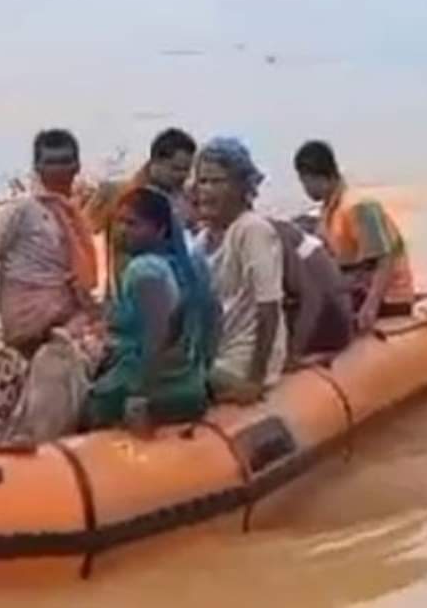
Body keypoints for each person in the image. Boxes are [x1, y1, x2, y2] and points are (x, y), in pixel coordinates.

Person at [0, 128, 99, 354]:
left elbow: (83, 279)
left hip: (68, 317)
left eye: (65, 161)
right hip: (29, 326)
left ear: (77, 166)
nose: (59, 169)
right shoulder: (20, 210)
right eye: (51, 162)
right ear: (38, 167)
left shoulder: (74, 216)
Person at [85, 188, 216, 434]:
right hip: (190, 383)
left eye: (133, 224)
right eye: (120, 222)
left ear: (160, 230)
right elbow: (211, 319)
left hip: (159, 387)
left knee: (87, 405)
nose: (123, 231)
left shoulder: (144, 270)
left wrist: (142, 395)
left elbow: (159, 337)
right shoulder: (187, 265)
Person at [192, 138, 284, 404]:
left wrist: (254, 381)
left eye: (217, 182)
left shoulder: (251, 230)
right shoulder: (201, 241)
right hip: (217, 353)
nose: (206, 191)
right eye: (202, 181)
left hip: (242, 361)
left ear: (241, 187)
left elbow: (269, 307)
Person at [293, 140, 416, 332]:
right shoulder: (329, 209)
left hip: (388, 296)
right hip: (356, 285)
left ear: (316, 176)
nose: (305, 189)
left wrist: (370, 307)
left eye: (304, 181)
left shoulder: (359, 206)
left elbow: (386, 257)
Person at [88, 128, 199, 297]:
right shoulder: (116, 194)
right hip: (127, 295)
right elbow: (84, 236)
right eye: (176, 169)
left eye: (187, 170)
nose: (182, 176)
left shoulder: (189, 200)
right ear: (155, 161)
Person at [270, 214, 353, 363]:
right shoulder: (279, 229)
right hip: (330, 302)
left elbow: (312, 298)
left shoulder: (277, 237)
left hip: (330, 316)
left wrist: (295, 350)